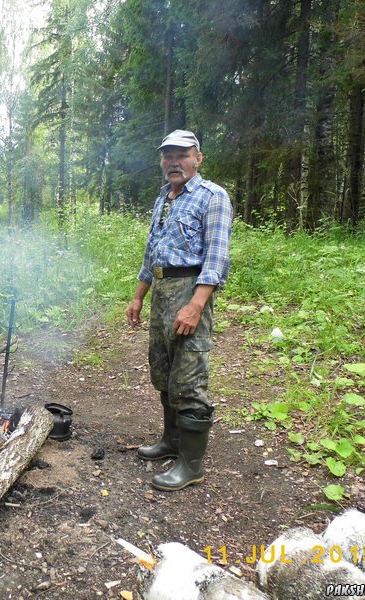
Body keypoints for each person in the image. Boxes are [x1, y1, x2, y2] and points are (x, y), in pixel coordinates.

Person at [126, 129, 233, 491]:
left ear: (198, 158)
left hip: (190, 290)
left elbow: (216, 257)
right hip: (161, 290)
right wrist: (139, 295)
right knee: (164, 371)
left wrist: (196, 305)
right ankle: (171, 441)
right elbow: (151, 252)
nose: (174, 162)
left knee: (188, 378)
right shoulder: (164, 197)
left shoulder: (212, 196)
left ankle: (191, 465)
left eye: (182, 155)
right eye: (168, 155)